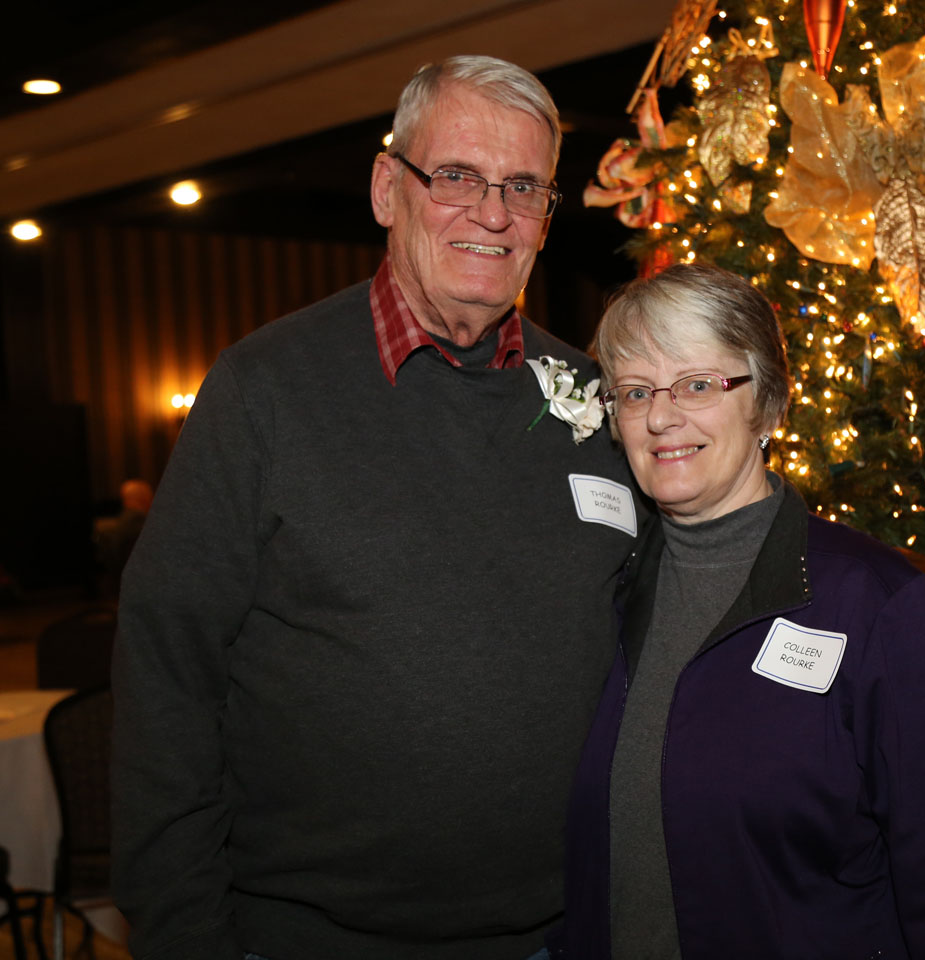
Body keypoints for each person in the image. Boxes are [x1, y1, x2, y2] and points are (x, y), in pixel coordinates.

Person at [111, 56, 642, 960]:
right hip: (315, 938)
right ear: (386, 189)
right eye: (459, 177)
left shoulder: (592, 401)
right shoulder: (265, 392)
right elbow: (167, 678)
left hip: (567, 933)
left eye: (525, 186)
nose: (493, 212)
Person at [560, 263, 925, 958]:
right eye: (634, 392)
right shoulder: (605, 587)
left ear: (769, 405)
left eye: (698, 385)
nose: (660, 417)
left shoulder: (876, 604)